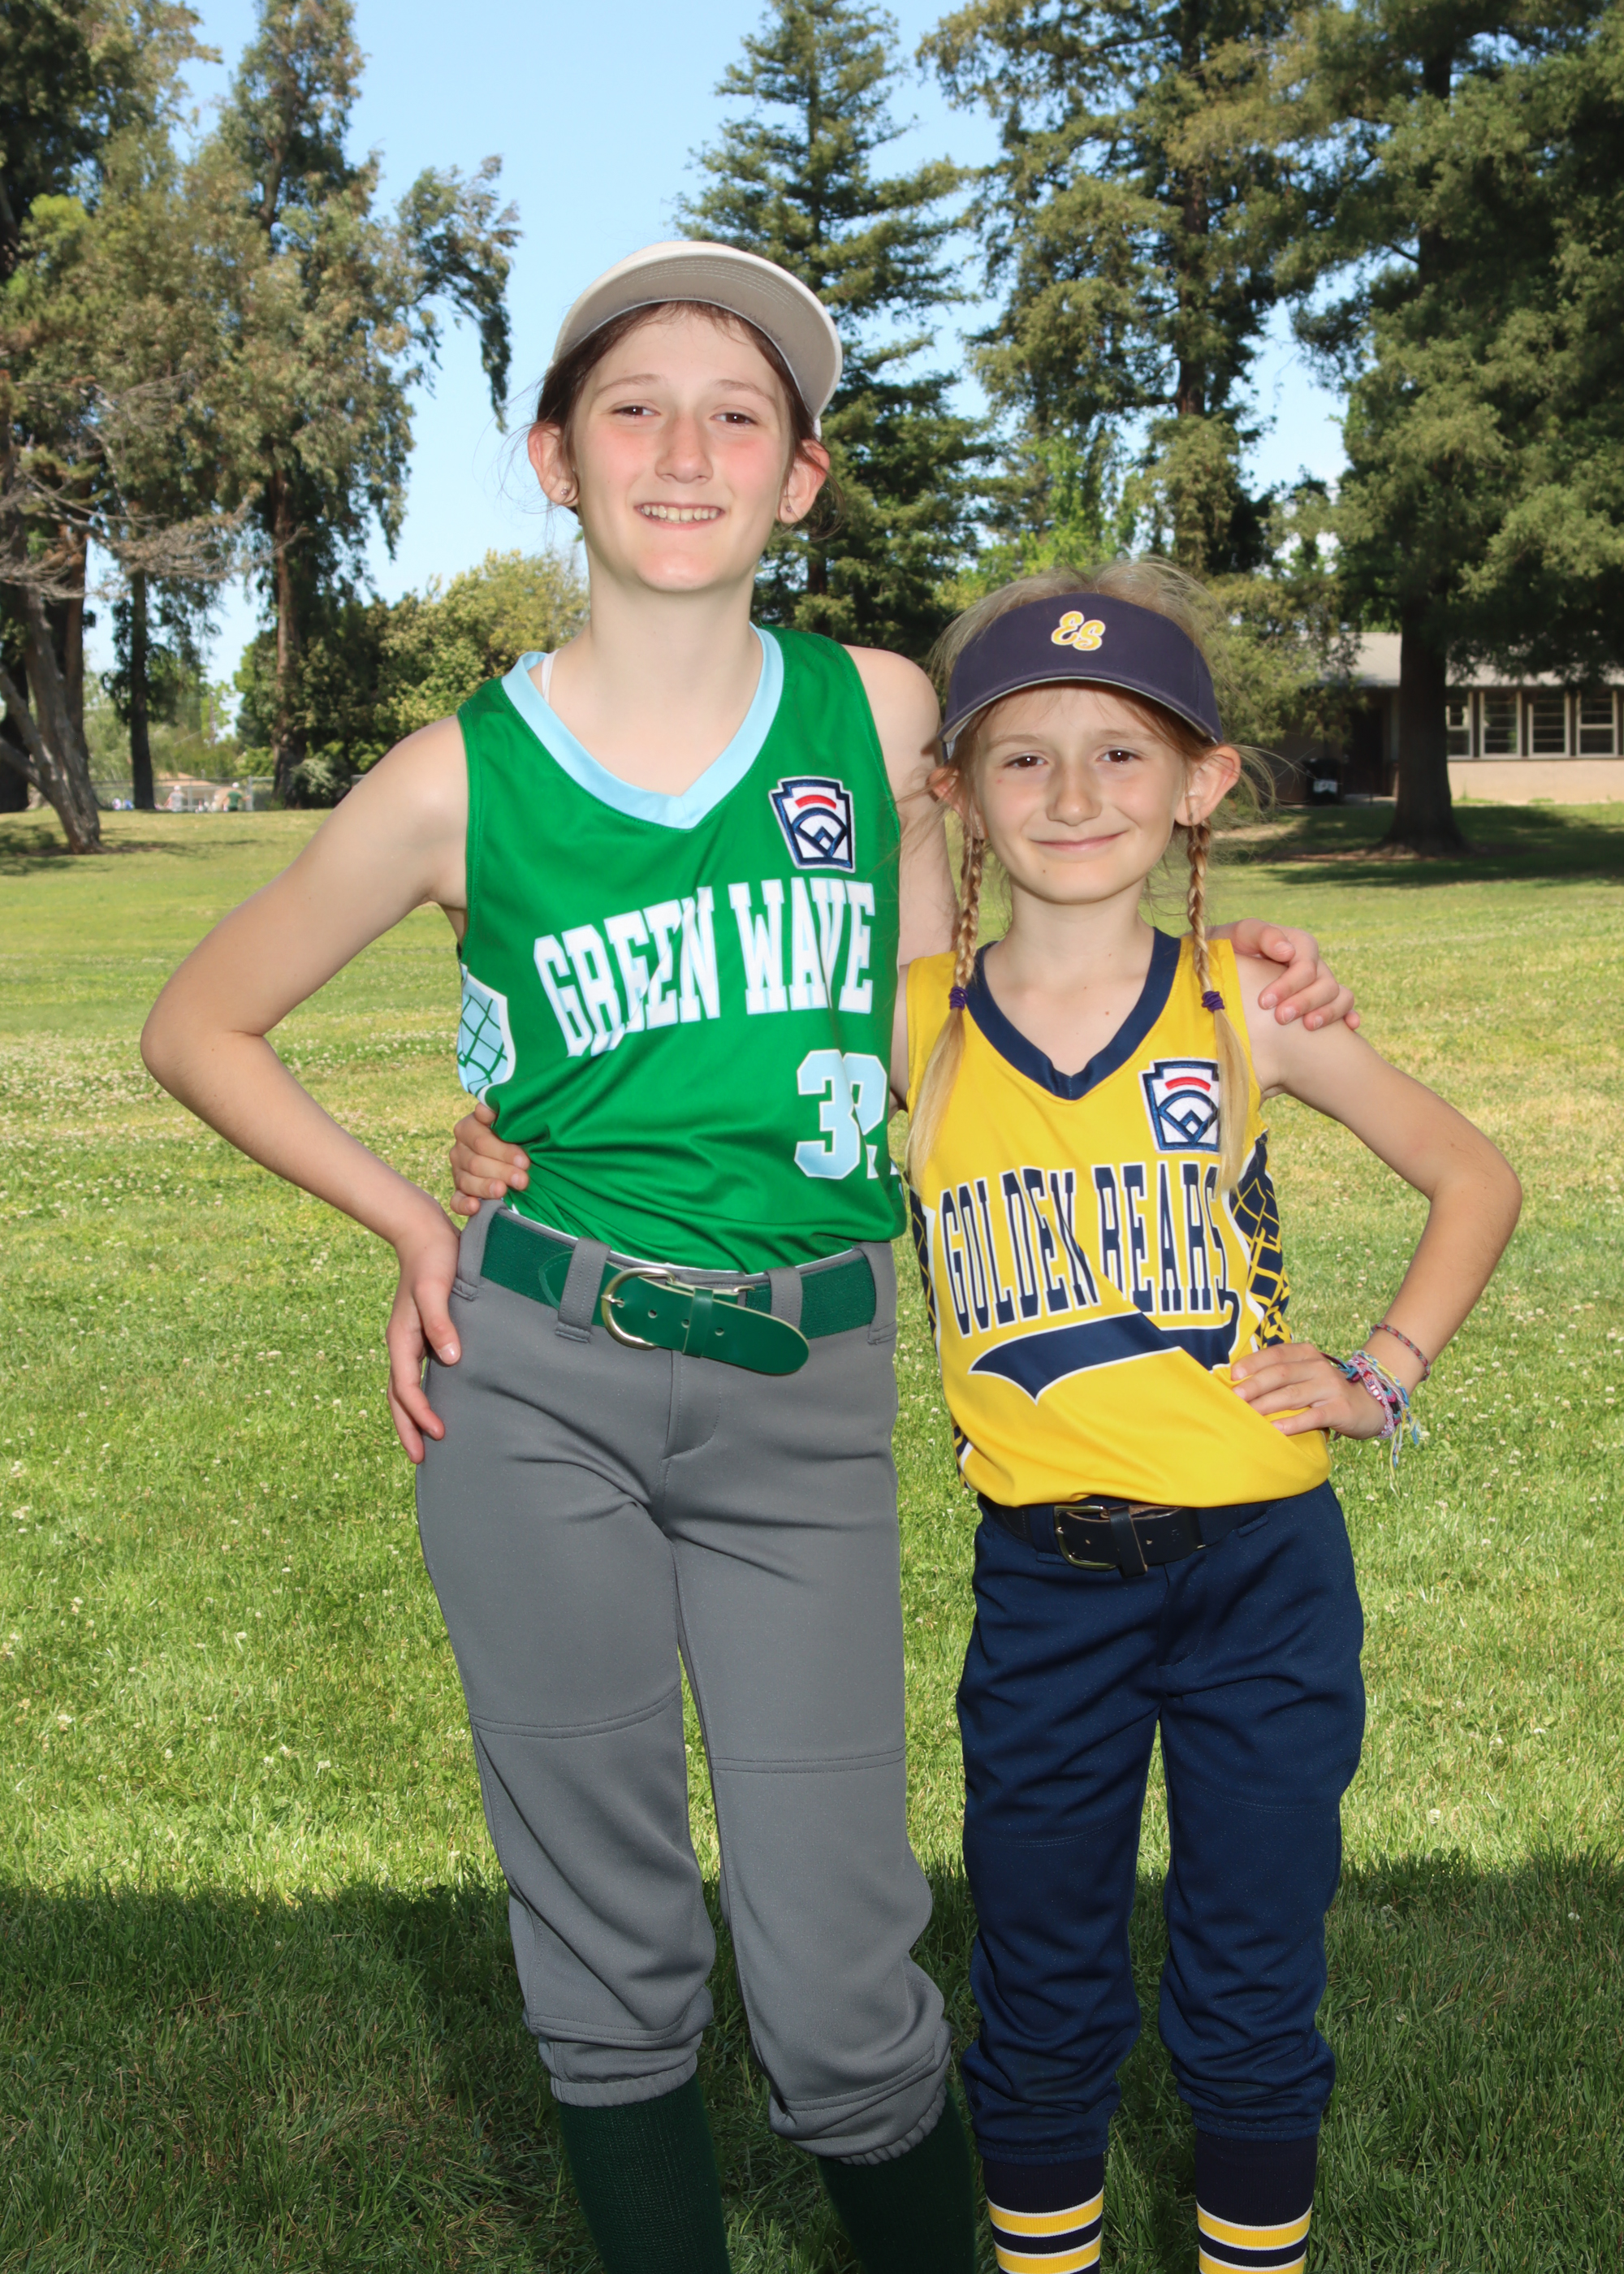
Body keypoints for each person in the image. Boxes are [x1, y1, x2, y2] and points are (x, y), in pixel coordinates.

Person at [143, 242, 1354, 2274]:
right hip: (539, 1372)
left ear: (800, 478)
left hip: (804, 1391)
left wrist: (1233, 964)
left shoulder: (875, 710)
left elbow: (981, 968)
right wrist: (418, 1210)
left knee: (840, 1961)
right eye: (633, 409)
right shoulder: (455, 775)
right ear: (555, 458)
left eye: (739, 415)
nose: (685, 450)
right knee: (608, 1933)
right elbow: (199, 1023)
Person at [896, 563, 1516, 2272]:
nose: (1072, 793)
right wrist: (504, 1140)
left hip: (1263, 1575)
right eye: (1021, 757)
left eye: (1121, 752)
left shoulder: (1247, 1001)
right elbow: (705, 1120)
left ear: (1202, 781)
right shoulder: (909, 1023)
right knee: (1040, 1977)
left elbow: (1473, 1174)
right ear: (957, 791)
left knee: (1251, 1974)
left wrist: (1378, 1374)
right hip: (1047, 1583)